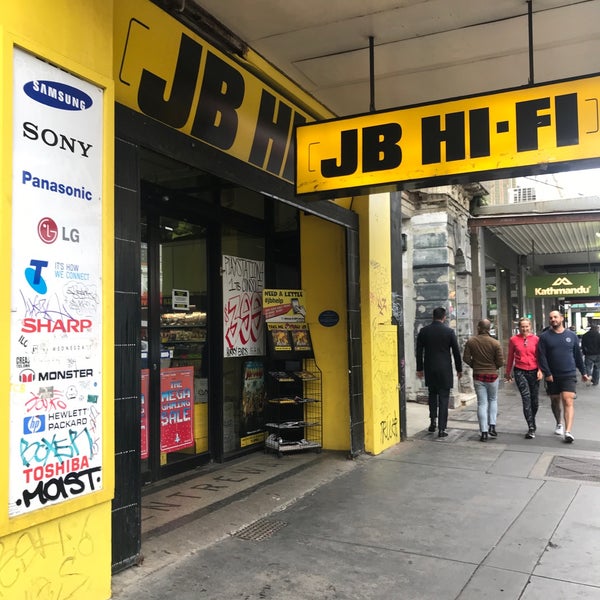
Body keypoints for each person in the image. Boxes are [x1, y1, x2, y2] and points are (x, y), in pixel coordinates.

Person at [537, 310, 590, 443]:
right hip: (552, 376)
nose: (553, 319)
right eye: (551, 318)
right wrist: (547, 373)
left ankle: (568, 432)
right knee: (555, 401)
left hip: (569, 373)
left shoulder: (571, 336)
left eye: (555, 317)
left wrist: (583, 372)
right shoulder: (544, 337)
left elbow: (578, 356)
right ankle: (559, 423)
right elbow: (541, 356)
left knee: (568, 400)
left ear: (561, 318)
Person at [416, 307, 462, 438]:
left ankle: (432, 422)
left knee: (432, 395)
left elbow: (419, 351)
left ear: (433, 316)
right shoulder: (449, 332)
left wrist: (419, 368)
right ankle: (442, 428)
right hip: (444, 370)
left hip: (430, 368)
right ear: (444, 317)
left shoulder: (424, 331)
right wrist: (459, 369)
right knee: (444, 398)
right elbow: (456, 352)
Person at [463, 319, 504, 442]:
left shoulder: (471, 341)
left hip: (478, 375)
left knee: (482, 403)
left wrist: (475, 365)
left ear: (478, 328)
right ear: (489, 328)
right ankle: (492, 426)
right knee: (493, 399)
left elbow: (466, 358)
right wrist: (494, 367)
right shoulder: (495, 343)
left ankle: (484, 432)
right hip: (492, 376)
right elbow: (500, 362)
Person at [505, 317, 542, 439]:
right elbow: (510, 356)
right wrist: (508, 372)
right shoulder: (513, 340)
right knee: (526, 398)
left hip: (534, 371)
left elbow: (540, 356)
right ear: (519, 327)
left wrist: (540, 370)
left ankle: (532, 418)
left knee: (534, 401)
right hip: (520, 371)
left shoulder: (536, 339)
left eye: (526, 326)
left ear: (530, 327)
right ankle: (531, 427)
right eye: (522, 327)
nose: (524, 329)